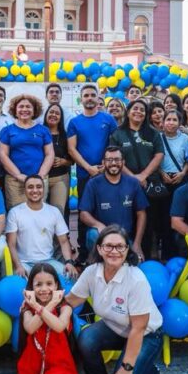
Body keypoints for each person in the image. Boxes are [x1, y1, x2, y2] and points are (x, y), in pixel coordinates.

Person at [66, 225, 164, 374]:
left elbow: (138, 328)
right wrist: (40, 307)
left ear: (127, 250)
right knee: (86, 340)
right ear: (99, 248)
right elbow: (71, 300)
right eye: (109, 246)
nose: (114, 251)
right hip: (114, 327)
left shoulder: (136, 280)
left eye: (120, 246)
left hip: (146, 334)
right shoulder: (91, 272)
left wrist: (127, 370)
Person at [17, 262, 81, 374]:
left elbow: (59, 326)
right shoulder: (27, 308)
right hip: (34, 365)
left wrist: (50, 305)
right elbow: (30, 327)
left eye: (49, 284)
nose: (44, 289)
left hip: (60, 364)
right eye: (38, 284)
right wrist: (39, 306)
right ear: (30, 287)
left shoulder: (64, 307)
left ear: (57, 285)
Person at [67, 85, 119, 254]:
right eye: (86, 95)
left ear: (98, 98)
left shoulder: (108, 119)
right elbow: (72, 149)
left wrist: (106, 165)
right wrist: (88, 168)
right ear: (81, 99)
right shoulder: (75, 122)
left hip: (107, 174)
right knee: (84, 213)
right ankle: (83, 253)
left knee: (107, 210)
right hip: (84, 175)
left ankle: (109, 248)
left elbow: (114, 145)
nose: (89, 98)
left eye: (92, 95)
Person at [110, 100, 164, 255]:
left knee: (149, 221)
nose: (139, 112)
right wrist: (133, 177)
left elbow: (159, 154)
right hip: (125, 182)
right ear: (128, 112)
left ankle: (146, 255)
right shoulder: (118, 133)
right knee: (128, 219)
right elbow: (115, 157)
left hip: (149, 183)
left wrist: (143, 175)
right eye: (135, 109)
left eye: (142, 110)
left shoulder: (153, 133)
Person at [78, 146, 149, 257]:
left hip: (124, 239)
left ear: (123, 162)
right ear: (103, 162)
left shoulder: (133, 183)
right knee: (92, 234)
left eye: (117, 159)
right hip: (102, 237)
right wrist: (98, 225)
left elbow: (142, 213)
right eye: (109, 160)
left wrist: (137, 244)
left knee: (135, 263)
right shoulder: (93, 183)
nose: (113, 163)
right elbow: (83, 214)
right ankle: (97, 262)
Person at [6, 175, 76, 278]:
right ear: (24, 190)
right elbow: (11, 244)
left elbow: (64, 241)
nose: (35, 190)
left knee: (70, 277)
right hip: (24, 263)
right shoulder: (15, 213)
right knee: (20, 286)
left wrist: (69, 262)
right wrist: (18, 266)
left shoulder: (54, 212)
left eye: (39, 187)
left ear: (44, 189)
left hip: (48, 262)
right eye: (30, 187)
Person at [0, 93, 54, 207]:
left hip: (39, 180)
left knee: (39, 214)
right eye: (21, 107)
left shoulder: (43, 130)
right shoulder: (7, 131)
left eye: (28, 107)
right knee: (16, 214)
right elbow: (3, 155)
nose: (24, 109)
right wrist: (18, 175)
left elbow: (49, 154)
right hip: (14, 181)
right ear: (15, 110)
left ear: (34, 111)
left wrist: (40, 176)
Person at [44, 103, 72, 216]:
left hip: (60, 178)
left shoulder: (65, 136)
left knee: (58, 213)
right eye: (51, 112)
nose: (53, 115)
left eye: (57, 113)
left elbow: (72, 160)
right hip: (41, 178)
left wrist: (63, 161)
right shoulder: (38, 132)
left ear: (61, 117)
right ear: (46, 114)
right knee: (40, 212)